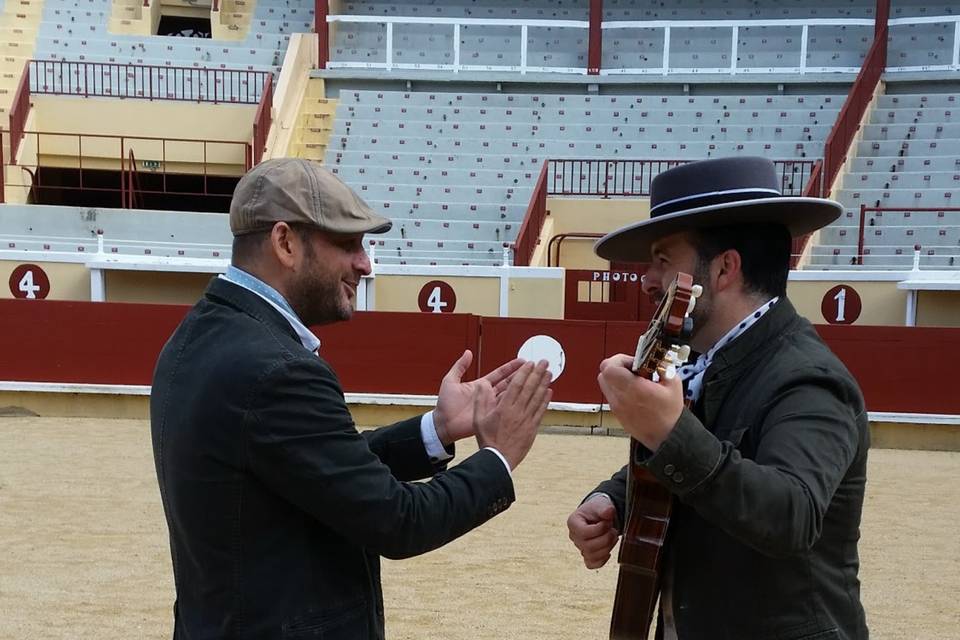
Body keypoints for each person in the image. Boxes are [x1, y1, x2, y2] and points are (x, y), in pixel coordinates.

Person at [151, 158, 553, 640]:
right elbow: (398, 521)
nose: (365, 263)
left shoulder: (198, 335)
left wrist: (437, 430)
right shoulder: (280, 369)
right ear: (285, 243)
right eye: (347, 243)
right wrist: (498, 459)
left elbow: (319, 467)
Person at [566, 156, 869, 639]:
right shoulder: (708, 357)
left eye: (663, 260)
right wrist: (615, 500)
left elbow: (791, 514)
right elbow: (714, 450)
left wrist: (667, 430)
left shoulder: (809, 380)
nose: (648, 279)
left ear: (725, 268)